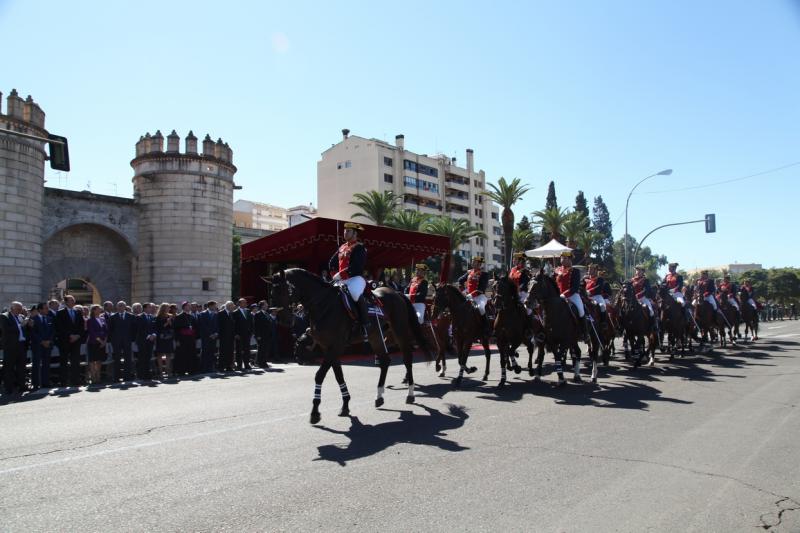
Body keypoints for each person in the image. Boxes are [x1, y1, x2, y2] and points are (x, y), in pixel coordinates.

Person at [328, 222, 371, 334]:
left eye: (348, 231)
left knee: (355, 294)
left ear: (355, 233)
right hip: (341, 279)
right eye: (344, 231)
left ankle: (365, 324)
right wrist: (334, 274)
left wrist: (341, 274)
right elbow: (331, 262)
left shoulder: (359, 247)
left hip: (355, 278)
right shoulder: (342, 247)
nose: (345, 233)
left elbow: (356, 266)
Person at [55, 295, 86, 387]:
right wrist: (69, 335)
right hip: (65, 340)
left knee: (75, 361)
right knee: (64, 361)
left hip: (76, 340)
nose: (73, 301)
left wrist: (77, 335)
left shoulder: (78, 312)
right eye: (71, 300)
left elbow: (81, 326)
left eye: (73, 300)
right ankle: (63, 381)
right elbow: (60, 327)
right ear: (66, 302)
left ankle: (75, 380)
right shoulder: (60, 313)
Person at [1, 301, 29, 394]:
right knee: (9, 368)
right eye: (18, 309)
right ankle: (9, 388)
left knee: (21, 367)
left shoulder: (21, 317)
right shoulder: (4, 316)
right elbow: (6, 330)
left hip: (21, 345)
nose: (20, 311)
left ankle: (22, 386)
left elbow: (26, 329)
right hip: (10, 346)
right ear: (12, 308)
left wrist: (30, 324)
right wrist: (21, 325)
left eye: (20, 309)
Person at [108, 300, 136, 382]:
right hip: (116, 341)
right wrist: (111, 340)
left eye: (122, 305)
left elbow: (133, 329)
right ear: (116, 307)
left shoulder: (130, 316)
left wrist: (132, 339)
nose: (121, 307)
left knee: (128, 358)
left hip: (127, 340)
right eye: (119, 305)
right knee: (117, 359)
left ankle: (127, 376)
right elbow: (110, 330)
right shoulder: (113, 317)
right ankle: (117, 377)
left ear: (125, 307)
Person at [30, 303, 54, 390]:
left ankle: (45, 382)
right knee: (36, 364)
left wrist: (48, 341)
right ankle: (35, 383)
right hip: (37, 345)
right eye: (45, 308)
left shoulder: (49, 319)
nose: (47, 310)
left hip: (47, 345)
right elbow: (33, 332)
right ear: (40, 310)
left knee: (46, 364)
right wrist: (41, 341)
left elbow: (52, 331)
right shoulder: (33, 319)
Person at [556, 251, 585, 319]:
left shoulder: (575, 271)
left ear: (570, 259)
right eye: (561, 258)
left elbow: (575, 287)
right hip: (557, 296)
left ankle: (583, 329)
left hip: (572, 296)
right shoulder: (557, 270)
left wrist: (564, 295)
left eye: (565, 258)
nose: (562, 260)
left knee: (581, 311)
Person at [173, 301, 197, 376]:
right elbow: (176, 330)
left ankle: (191, 370)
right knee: (182, 355)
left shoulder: (192, 317)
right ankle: (181, 371)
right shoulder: (178, 317)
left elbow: (195, 328)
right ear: (184, 307)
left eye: (190, 306)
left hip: (191, 339)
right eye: (188, 306)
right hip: (182, 339)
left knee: (191, 354)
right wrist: (177, 340)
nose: (189, 307)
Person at [86, 305, 108, 385]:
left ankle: (98, 376)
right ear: (94, 311)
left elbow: (106, 331)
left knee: (99, 360)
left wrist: (104, 341)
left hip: (102, 343)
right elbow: (92, 332)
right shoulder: (90, 320)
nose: (100, 310)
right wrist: (101, 341)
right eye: (98, 309)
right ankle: (93, 377)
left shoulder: (102, 319)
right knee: (92, 361)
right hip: (93, 343)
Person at [134, 303, 156, 380]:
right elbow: (140, 329)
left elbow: (154, 327)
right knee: (142, 358)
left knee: (148, 358)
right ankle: (141, 375)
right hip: (142, 341)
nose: (151, 309)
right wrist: (148, 336)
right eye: (149, 307)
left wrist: (154, 334)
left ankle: (147, 374)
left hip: (150, 341)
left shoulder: (152, 317)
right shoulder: (139, 317)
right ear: (145, 308)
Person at [196, 300, 219, 373]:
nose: (216, 307)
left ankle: (211, 367)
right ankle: (204, 368)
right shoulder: (202, 314)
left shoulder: (216, 314)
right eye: (215, 305)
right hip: (206, 337)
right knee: (205, 352)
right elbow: (203, 326)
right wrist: (210, 334)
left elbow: (218, 325)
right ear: (210, 306)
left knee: (212, 352)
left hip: (214, 337)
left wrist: (216, 333)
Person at [154, 303, 174, 378]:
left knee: (168, 354)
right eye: (167, 308)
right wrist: (166, 323)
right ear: (163, 308)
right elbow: (158, 328)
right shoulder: (158, 317)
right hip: (161, 338)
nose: (169, 309)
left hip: (168, 337)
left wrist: (170, 322)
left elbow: (172, 327)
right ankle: (161, 372)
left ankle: (168, 371)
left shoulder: (170, 316)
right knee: (160, 355)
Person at [234, 298, 254, 370]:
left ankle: (246, 364)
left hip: (247, 334)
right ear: (239, 304)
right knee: (239, 350)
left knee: (247, 350)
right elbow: (234, 324)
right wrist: (235, 334)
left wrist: (251, 332)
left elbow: (251, 323)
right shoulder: (235, 312)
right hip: (239, 335)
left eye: (246, 302)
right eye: (244, 302)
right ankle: (239, 365)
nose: (246, 304)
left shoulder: (248, 311)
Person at [217, 301, 237, 372]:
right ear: (228, 306)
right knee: (223, 352)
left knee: (230, 352)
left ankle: (229, 366)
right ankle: (221, 367)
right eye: (232, 306)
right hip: (223, 337)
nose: (233, 307)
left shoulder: (231, 314)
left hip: (231, 337)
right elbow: (219, 326)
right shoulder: (220, 313)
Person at [253, 300, 272, 368]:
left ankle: (264, 362)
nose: (267, 305)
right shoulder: (258, 314)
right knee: (261, 349)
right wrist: (257, 335)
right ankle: (260, 363)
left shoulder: (267, 314)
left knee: (266, 349)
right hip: (261, 335)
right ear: (262, 305)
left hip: (267, 335)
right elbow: (256, 326)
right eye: (266, 304)